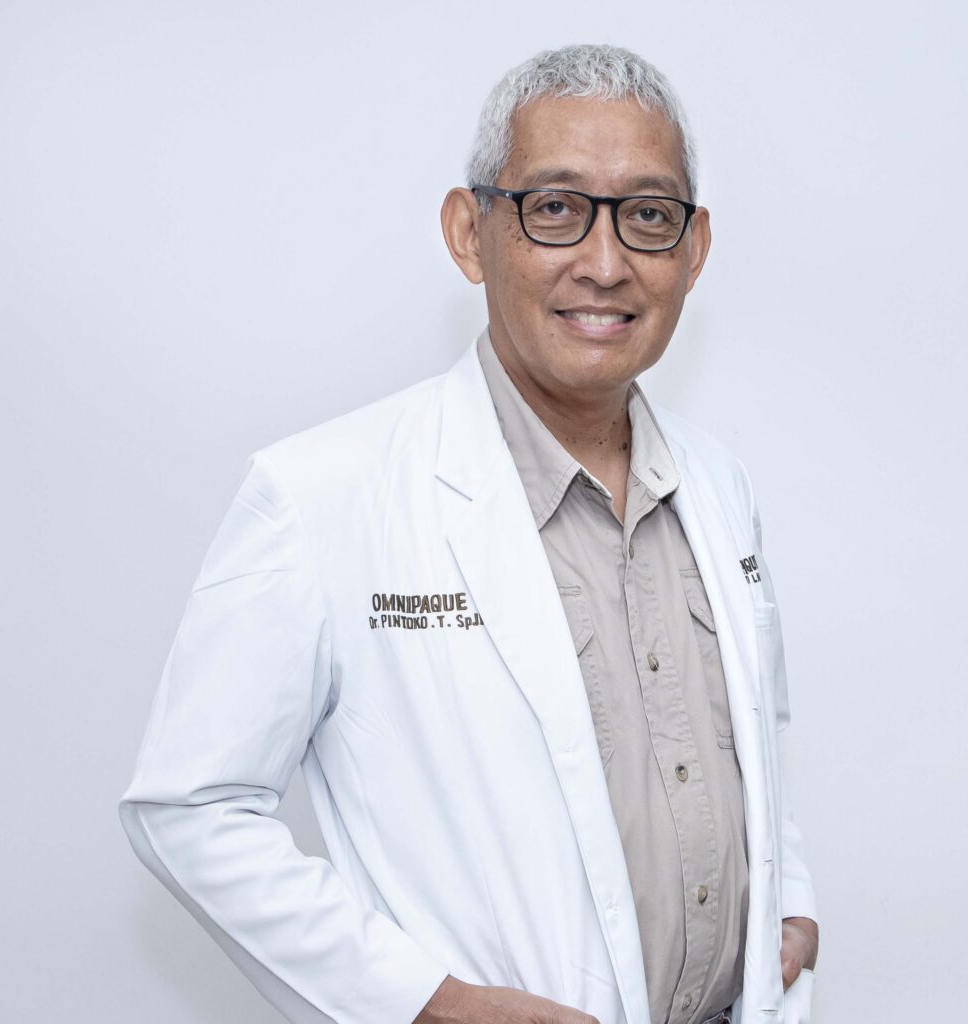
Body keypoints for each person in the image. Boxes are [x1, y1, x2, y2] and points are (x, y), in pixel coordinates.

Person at [120, 43, 818, 1024]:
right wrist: (422, 1002)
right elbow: (190, 807)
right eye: (555, 208)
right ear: (468, 232)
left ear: (693, 250)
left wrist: (791, 902)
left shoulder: (718, 484)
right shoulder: (320, 495)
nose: (605, 264)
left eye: (648, 216)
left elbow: (751, 735)